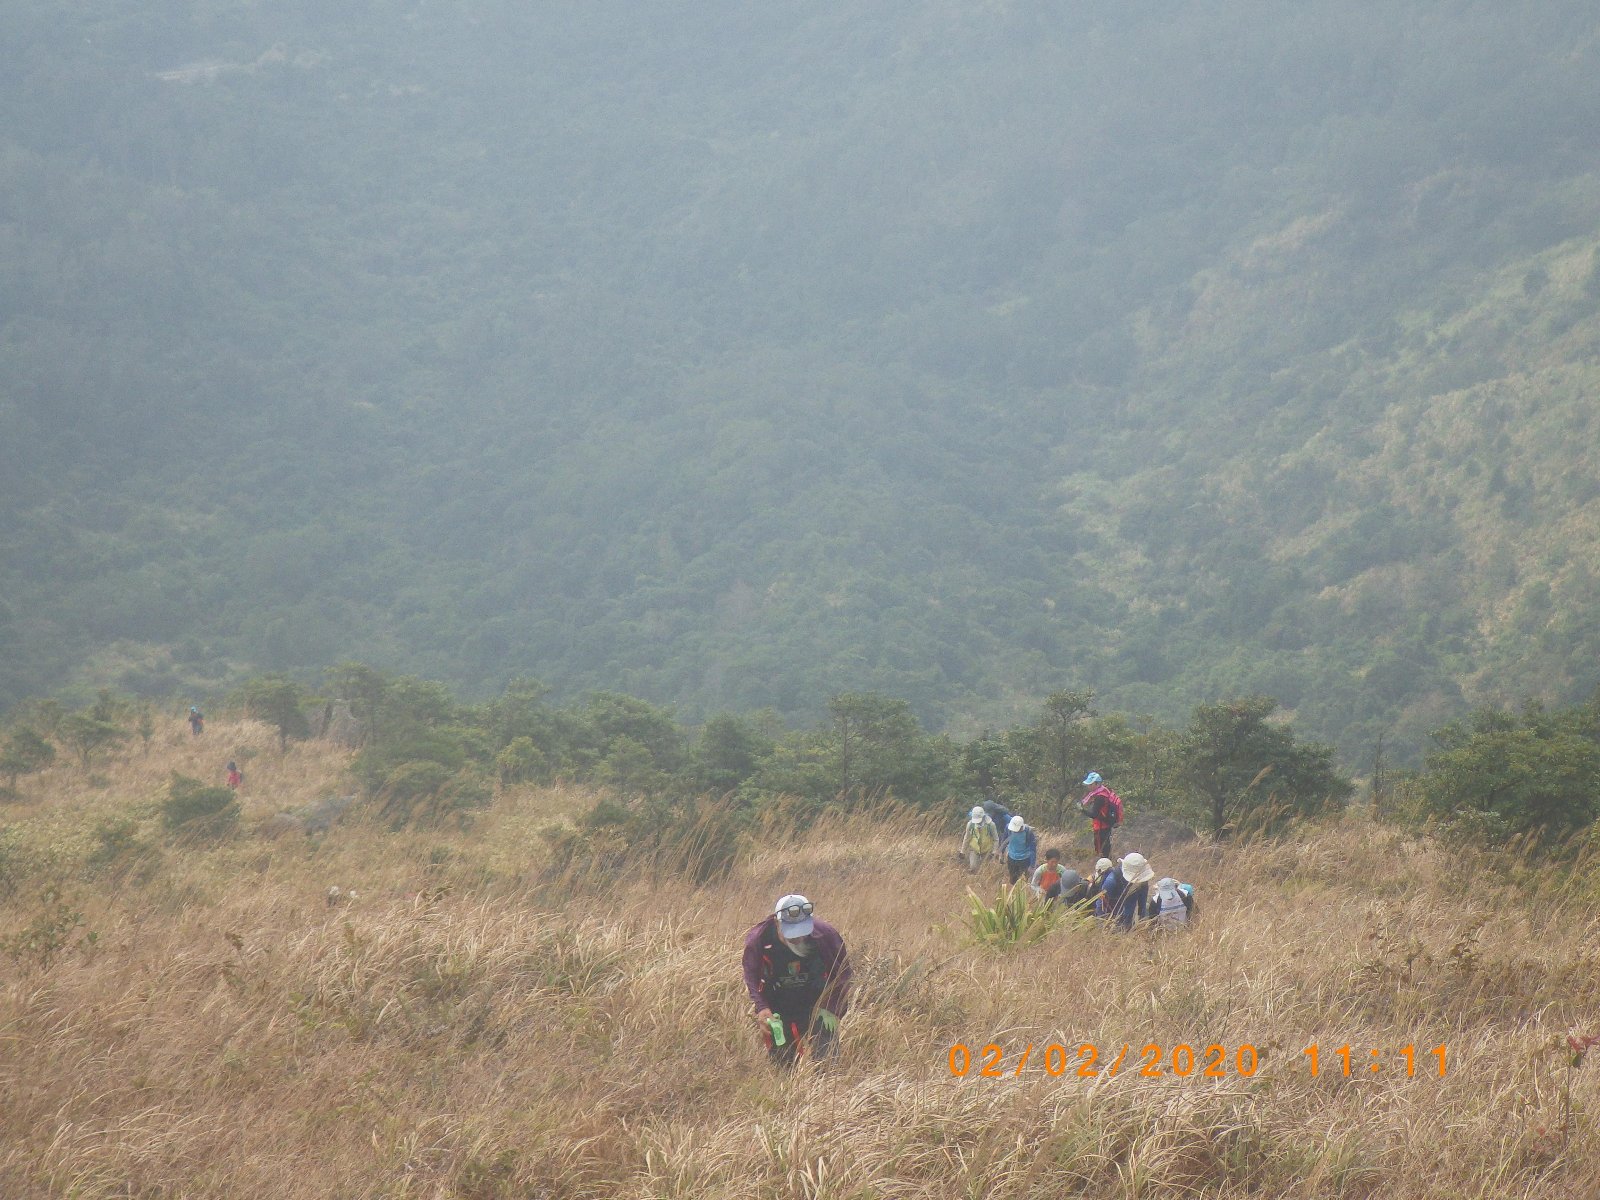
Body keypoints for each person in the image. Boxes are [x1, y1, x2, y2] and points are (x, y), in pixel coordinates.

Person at [743, 894, 851, 1067]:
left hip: (818, 1004)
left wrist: (832, 1007)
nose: (797, 938)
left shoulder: (825, 935)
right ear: (777, 922)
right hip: (778, 1006)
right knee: (782, 1065)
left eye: (801, 932)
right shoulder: (759, 940)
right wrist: (762, 1008)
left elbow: (843, 973)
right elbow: (751, 976)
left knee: (828, 1065)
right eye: (791, 933)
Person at [1102, 851, 1155, 931]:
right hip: (1115, 915)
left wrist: (1142, 920)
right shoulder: (1111, 882)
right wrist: (1106, 922)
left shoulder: (1143, 880)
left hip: (1130, 912)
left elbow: (1143, 901)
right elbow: (1102, 904)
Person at [1078, 772, 1122, 859]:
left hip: (1100, 827)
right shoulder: (1105, 791)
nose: (1089, 786)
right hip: (1107, 825)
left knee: (1100, 851)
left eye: (1091, 784)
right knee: (1106, 848)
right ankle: (1108, 863)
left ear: (1097, 784)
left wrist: (1082, 810)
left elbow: (1094, 814)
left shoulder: (1099, 797)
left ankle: (1103, 865)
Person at [960, 806, 998, 873]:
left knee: (985, 869)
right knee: (973, 868)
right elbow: (966, 838)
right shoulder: (970, 824)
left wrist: (994, 851)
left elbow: (996, 839)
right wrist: (962, 851)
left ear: (983, 816)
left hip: (987, 850)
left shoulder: (991, 825)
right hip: (974, 849)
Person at [1003, 815, 1037, 885]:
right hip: (1011, 858)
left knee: (1025, 881)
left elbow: (1032, 849)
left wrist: (1032, 865)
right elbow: (1004, 841)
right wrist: (1001, 853)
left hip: (1025, 859)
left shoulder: (1028, 832)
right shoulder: (1008, 828)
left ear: (1021, 827)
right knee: (1013, 880)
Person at [980, 796, 1012, 863]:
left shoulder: (1002, 814)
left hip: (1000, 830)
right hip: (987, 832)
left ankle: (999, 856)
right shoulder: (980, 811)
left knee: (1000, 841)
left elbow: (1009, 824)